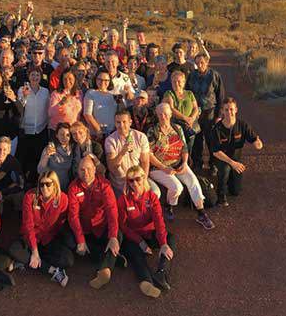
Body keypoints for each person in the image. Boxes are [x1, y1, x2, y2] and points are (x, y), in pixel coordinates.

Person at [0, 171, 77, 287]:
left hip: (49, 239)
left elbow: (63, 222)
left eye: (48, 184)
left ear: (55, 184)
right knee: (13, 249)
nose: (44, 187)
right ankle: (52, 270)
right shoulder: (30, 197)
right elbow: (28, 225)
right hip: (31, 239)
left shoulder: (63, 199)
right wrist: (35, 251)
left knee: (68, 260)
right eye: (41, 184)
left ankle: (25, 261)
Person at [148, 103, 213, 228]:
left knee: (193, 182)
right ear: (156, 115)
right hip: (158, 167)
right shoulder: (152, 131)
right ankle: (169, 206)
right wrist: (164, 168)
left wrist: (184, 163)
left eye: (166, 114)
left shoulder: (177, 128)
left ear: (171, 114)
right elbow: (149, 155)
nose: (163, 116)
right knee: (177, 187)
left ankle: (201, 213)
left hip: (178, 163)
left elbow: (184, 149)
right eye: (160, 114)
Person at [118, 166, 175, 298]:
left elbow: (159, 221)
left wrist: (163, 244)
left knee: (170, 238)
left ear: (144, 178)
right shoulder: (123, 200)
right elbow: (123, 226)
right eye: (130, 181)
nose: (134, 183)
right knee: (134, 252)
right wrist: (140, 242)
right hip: (134, 236)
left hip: (150, 232)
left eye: (137, 179)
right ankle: (146, 281)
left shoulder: (152, 197)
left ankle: (161, 272)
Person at [66, 155, 121, 289]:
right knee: (69, 241)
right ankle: (113, 258)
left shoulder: (105, 185)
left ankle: (104, 270)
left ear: (95, 169)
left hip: (101, 227)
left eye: (89, 169)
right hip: (84, 231)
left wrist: (113, 236)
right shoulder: (73, 187)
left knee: (118, 235)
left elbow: (112, 210)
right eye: (82, 170)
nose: (86, 173)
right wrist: (80, 240)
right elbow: (73, 216)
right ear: (77, 171)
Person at [207, 97, 263, 207]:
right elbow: (216, 152)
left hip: (236, 160)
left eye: (231, 109)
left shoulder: (242, 125)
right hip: (221, 159)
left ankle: (229, 181)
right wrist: (232, 163)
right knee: (225, 169)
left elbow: (255, 139)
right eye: (226, 109)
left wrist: (258, 143)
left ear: (236, 109)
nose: (229, 112)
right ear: (222, 111)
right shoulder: (217, 129)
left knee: (235, 192)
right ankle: (221, 195)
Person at [186, 53, 225, 169]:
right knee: (197, 139)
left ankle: (214, 165)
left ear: (207, 62)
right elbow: (188, 93)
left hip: (210, 112)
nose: (200, 65)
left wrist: (218, 115)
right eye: (197, 63)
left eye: (202, 62)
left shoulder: (214, 75)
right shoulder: (192, 75)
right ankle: (198, 164)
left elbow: (220, 96)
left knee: (211, 140)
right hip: (195, 113)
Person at [105, 110, 157, 196]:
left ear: (130, 122)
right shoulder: (110, 140)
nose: (121, 125)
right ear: (115, 123)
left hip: (138, 178)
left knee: (155, 192)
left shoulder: (140, 137)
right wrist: (122, 152)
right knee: (129, 197)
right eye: (118, 122)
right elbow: (111, 167)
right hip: (121, 181)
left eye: (124, 122)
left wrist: (143, 181)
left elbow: (145, 162)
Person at [16, 69, 49, 184]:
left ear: (41, 77)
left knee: (38, 158)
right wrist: (24, 96)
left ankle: (37, 181)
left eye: (37, 75)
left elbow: (48, 108)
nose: (35, 77)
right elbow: (19, 106)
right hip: (26, 130)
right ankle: (24, 182)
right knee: (25, 157)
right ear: (28, 76)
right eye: (32, 74)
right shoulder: (22, 89)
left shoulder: (45, 91)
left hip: (41, 129)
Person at [37, 123, 74, 190]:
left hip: (65, 185)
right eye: (62, 134)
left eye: (67, 135)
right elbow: (40, 170)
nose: (65, 137)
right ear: (57, 135)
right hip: (51, 185)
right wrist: (46, 156)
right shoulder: (50, 148)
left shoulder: (72, 150)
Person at [82, 70, 118, 139]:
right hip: (97, 134)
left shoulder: (113, 94)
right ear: (95, 79)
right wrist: (98, 130)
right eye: (100, 79)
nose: (102, 82)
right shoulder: (91, 93)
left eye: (106, 80)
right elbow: (87, 114)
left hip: (112, 133)